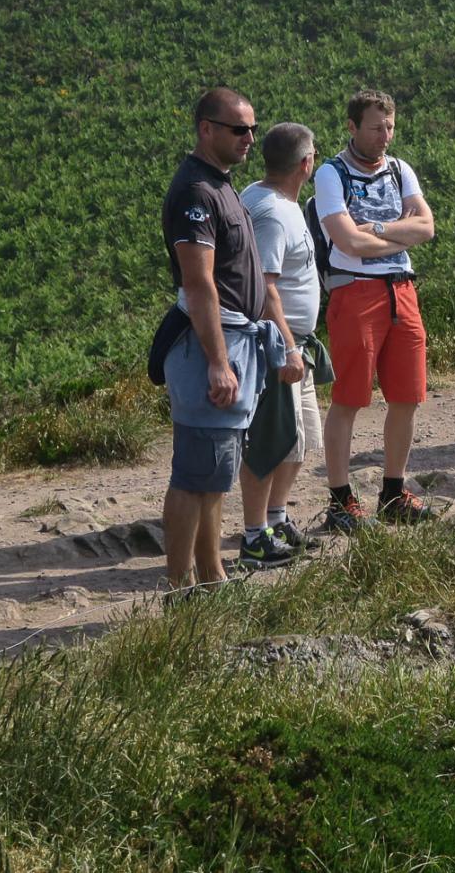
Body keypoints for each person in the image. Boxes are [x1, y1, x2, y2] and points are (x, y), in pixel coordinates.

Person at [158, 88, 297, 588]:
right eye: (239, 129)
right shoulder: (197, 191)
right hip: (210, 348)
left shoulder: (219, 185)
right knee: (194, 474)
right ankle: (181, 590)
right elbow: (198, 284)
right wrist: (219, 362)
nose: (250, 139)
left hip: (232, 343)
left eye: (253, 129)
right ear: (206, 129)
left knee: (214, 473)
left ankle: (212, 578)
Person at [315, 90, 438, 530]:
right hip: (355, 293)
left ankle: (392, 491)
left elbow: (427, 227)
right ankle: (340, 497)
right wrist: (398, 236)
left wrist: (380, 229)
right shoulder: (331, 174)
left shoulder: (401, 169)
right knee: (349, 398)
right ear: (351, 127)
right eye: (375, 128)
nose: (385, 136)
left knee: (407, 396)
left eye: (390, 127)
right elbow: (347, 242)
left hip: (401, 291)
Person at [239, 122, 328, 565]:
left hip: (297, 342)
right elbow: (265, 286)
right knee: (270, 441)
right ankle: (254, 534)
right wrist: (288, 348)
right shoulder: (272, 213)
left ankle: (275, 518)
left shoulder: (273, 199)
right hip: (279, 345)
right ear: (305, 163)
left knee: (299, 438)